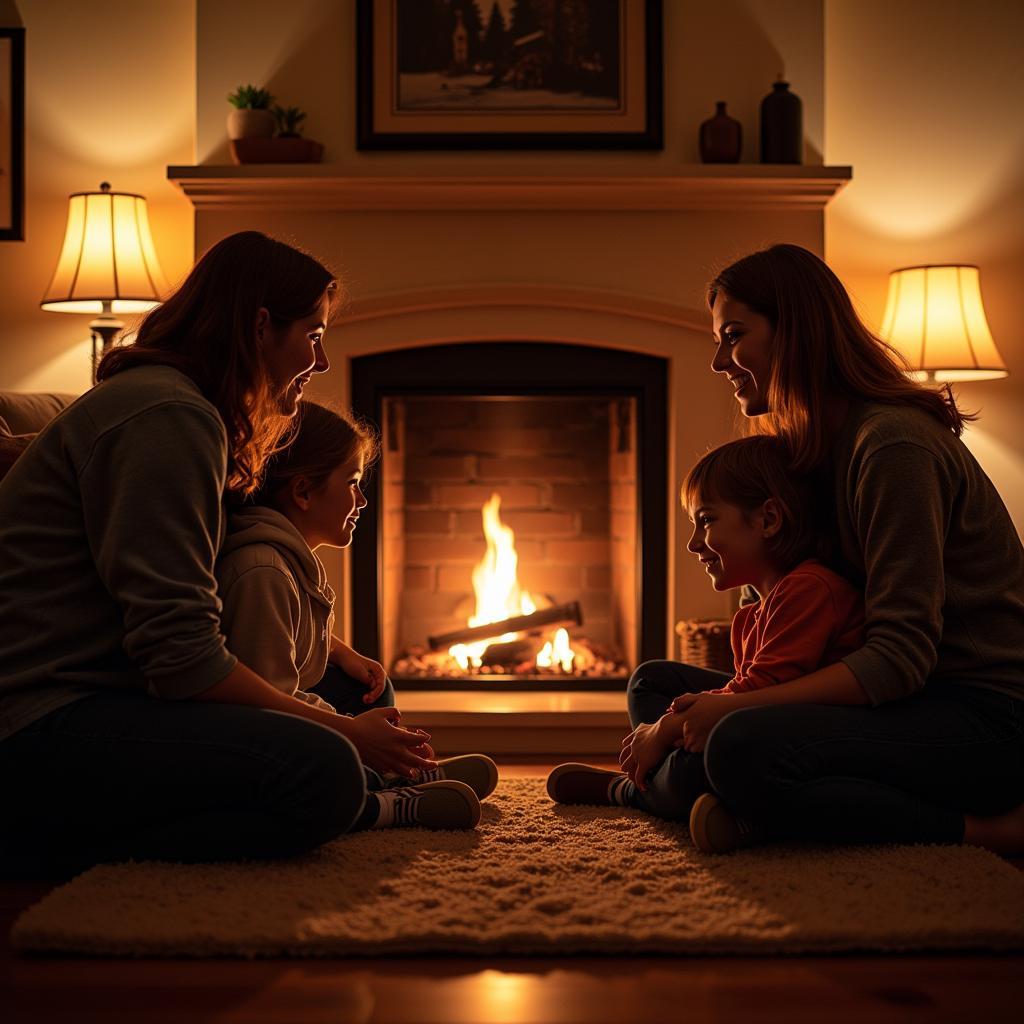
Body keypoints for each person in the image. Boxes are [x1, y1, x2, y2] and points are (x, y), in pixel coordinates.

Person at [0, 231, 457, 876]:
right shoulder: (167, 415)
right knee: (322, 768)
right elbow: (182, 657)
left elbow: (200, 590)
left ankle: (359, 779)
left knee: (359, 690)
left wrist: (335, 656)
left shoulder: (184, 412)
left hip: (118, 690)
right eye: (315, 335)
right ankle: (41, 846)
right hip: (48, 719)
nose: (323, 363)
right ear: (261, 327)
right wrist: (344, 737)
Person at [649, 243, 1023, 855]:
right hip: (886, 701)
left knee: (733, 745)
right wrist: (703, 710)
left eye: (734, 335)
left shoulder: (893, 447)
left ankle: (988, 831)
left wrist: (727, 716)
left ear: (796, 330)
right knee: (656, 684)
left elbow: (901, 658)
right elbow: (778, 617)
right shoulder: (810, 449)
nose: (719, 361)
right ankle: (735, 800)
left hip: (979, 715)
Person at [546, 435, 864, 846]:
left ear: (768, 519)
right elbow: (737, 696)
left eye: (707, 520)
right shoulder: (755, 610)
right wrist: (677, 725)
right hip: (765, 723)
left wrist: (665, 730)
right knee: (651, 679)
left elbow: (755, 695)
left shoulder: (810, 589)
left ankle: (630, 791)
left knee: (700, 762)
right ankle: (672, 785)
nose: (694, 543)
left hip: (811, 745)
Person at [216, 399, 498, 826]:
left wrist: (339, 652)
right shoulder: (263, 571)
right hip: (258, 729)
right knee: (330, 759)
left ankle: (386, 772)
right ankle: (381, 799)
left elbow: (284, 636)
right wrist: (351, 732)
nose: (363, 499)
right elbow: (268, 707)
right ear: (304, 492)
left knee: (368, 688)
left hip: (285, 703)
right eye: (351, 483)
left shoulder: (289, 556)